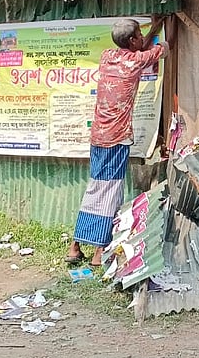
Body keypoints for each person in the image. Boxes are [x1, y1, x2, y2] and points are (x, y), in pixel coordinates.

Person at [67, 17, 169, 267]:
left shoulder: (107, 57)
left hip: (99, 137)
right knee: (109, 191)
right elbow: (166, 47)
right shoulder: (136, 61)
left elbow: (138, 49)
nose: (142, 38)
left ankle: (75, 245)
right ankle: (99, 251)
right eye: (139, 35)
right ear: (133, 40)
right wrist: (168, 20)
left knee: (95, 187)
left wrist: (151, 28)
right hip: (117, 138)